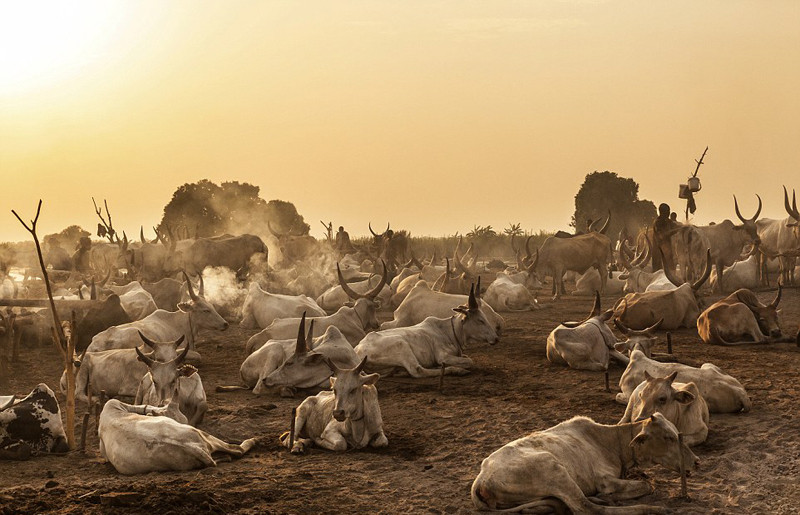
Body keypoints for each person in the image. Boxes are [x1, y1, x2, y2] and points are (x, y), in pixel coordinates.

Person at [652, 203, 680, 272]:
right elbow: (662, 236)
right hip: (658, 253)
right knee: (659, 274)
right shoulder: (657, 223)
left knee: (672, 272)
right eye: (667, 211)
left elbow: (677, 226)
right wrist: (675, 231)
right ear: (662, 212)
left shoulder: (668, 221)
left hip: (668, 253)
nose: (669, 213)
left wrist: (686, 227)